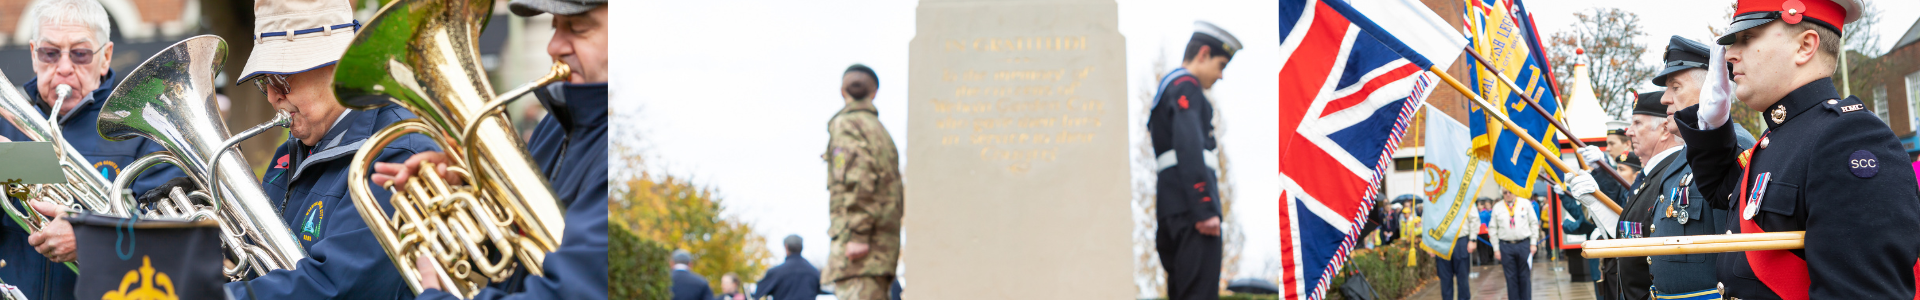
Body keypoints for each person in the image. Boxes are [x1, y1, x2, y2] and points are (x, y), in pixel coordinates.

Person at [1673, 0, 1920, 298]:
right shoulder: (1779, 137)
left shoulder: (1848, 138)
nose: (1730, 55)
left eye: (1747, 38)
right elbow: (1720, 192)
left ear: (1805, 46)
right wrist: (1711, 124)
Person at [370, 0, 610, 298]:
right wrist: (472, 197)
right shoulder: (556, 125)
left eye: (578, 28)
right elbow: (515, 257)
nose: (554, 46)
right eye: (554, 26)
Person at [219, 0, 440, 298]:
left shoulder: (396, 150)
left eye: (281, 79)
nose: (272, 96)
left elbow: (337, 286)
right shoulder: (290, 152)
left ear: (336, 67)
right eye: (264, 81)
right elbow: (259, 259)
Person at [0, 1, 186, 299]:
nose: (63, 68)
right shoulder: (5, 125)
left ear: (105, 57)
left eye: (80, 54)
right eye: (49, 53)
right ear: (34, 54)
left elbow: (171, 235)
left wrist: (89, 236)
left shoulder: (140, 129)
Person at [1150, 21, 1239, 300]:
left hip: (1172, 206)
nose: (1221, 75)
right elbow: (1188, 143)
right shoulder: (1186, 86)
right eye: (1221, 65)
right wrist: (1204, 209)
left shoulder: (1167, 90)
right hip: (1192, 211)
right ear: (1203, 54)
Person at [819, 63, 904, 300]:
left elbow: (858, 177)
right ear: (873, 93)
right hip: (880, 250)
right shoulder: (879, 131)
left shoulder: (846, 124)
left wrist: (858, 235)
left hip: (860, 252)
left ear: (842, 91)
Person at [1488, 191, 1538, 300]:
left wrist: (1533, 243)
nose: (1508, 194)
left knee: (1524, 277)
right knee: (1511, 278)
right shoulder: (1497, 207)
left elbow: (1534, 223)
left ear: (1514, 192)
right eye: (1505, 192)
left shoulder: (1525, 204)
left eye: (1510, 192)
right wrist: (1496, 249)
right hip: (1506, 245)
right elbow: (1492, 229)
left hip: (1523, 244)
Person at [1434, 201, 1480, 300]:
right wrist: (1430, 243)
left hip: (1460, 241)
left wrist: (1472, 239)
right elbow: (1428, 220)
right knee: (1445, 281)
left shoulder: (1464, 193)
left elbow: (1474, 219)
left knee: (1463, 280)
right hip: (1442, 242)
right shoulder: (1436, 194)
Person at [753, 235, 821, 300]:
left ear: (786, 246)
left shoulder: (776, 272)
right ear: (802, 247)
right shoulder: (814, 272)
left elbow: (758, 293)